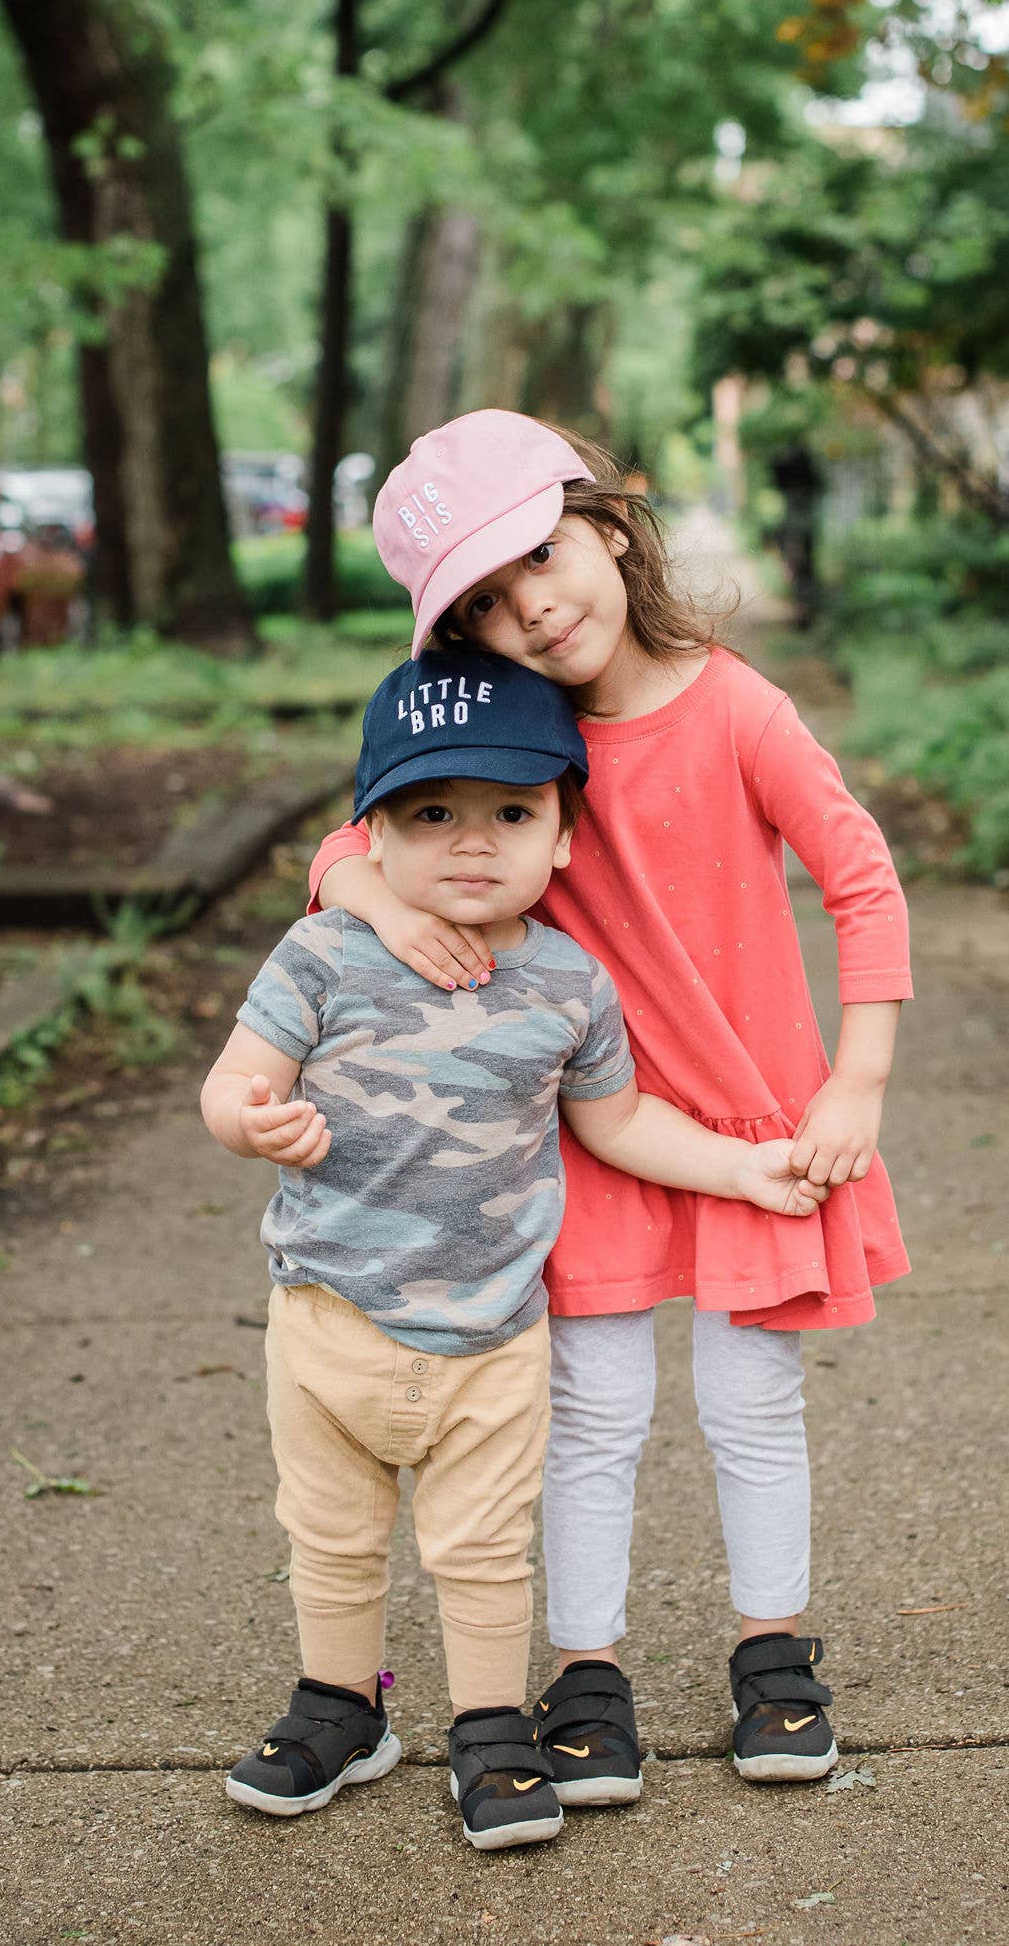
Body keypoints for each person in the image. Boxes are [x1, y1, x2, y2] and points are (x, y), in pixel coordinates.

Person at [308, 408, 913, 1806]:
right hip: (592, 1127)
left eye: (539, 553)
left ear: (606, 522)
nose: (531, 602)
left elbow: (861, 877)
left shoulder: (734, 705)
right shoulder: (518, 738)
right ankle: (587, 1671)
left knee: (750, 1401)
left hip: (760, 1123)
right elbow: (351, 841)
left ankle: (772, 1656)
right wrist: (362, 897)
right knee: (589, 1411)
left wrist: (856, 1075)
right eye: (484, 601)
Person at [201, 648, 829, 1851]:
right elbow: (232, 1083)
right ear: (372, 832)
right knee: (328, 1533)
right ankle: (346, 1705)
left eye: (510, 813)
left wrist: (746, 1166)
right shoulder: (323, 954)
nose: (471, 841)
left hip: (493, 1331)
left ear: (563, 838)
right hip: (327, 1314)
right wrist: (251, 1122)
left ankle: (489, 1724)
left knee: (481, 1545)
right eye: (431, 812)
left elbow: (619, 1121)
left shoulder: (570, 982)